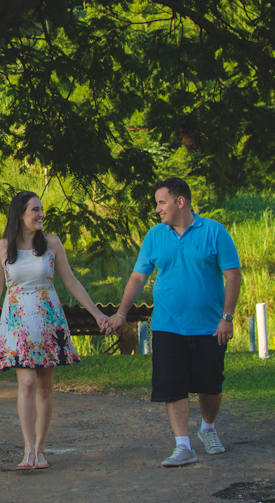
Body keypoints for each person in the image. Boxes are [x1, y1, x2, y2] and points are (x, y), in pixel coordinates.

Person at [101, 177, 242, 467]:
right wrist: (121, 313)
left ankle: (208, 428)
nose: (157, 209)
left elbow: (233, 275)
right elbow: (138, 276)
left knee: (210, 385)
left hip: (209, 325)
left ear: (181, 202)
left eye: (161, 202)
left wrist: (226, 318)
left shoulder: (214, 232)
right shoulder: (155, 235)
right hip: (167, 326)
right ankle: (183, 445)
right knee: (172, 385)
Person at [0, 191, 108, 470]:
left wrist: (98, 314)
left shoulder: (52, 243)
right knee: (26, 383)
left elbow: (71, 282)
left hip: (48, 319)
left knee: (44, 386)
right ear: (19, 214)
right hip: (17, 322)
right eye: (35, 210)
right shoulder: (2, 248)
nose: (41, 214)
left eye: (42, 210)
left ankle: (40, 449)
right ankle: (27, 450)